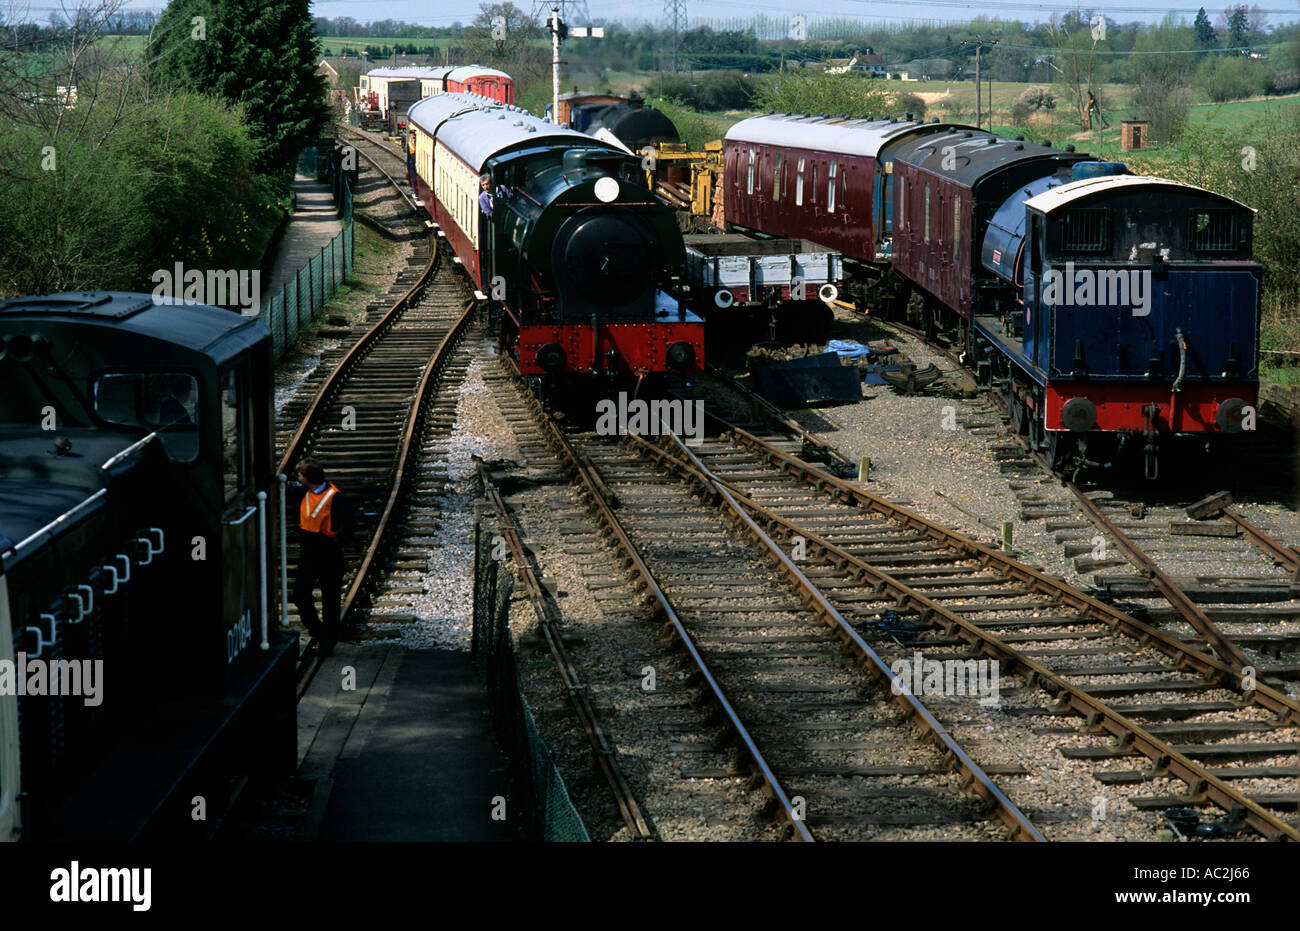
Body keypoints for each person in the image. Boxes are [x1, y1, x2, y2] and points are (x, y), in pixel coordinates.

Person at [292, 458, 356, 643]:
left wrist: (340, 539)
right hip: (309, 551)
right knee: (300, 594)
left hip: (329, 551)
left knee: (331, 598)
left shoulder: (335, 497)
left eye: (300, 475)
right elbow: (284, 492)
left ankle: (329, 638)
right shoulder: (304, 492)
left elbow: (351, 521)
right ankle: (317, 629)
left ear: (306, 477)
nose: (298, 478)